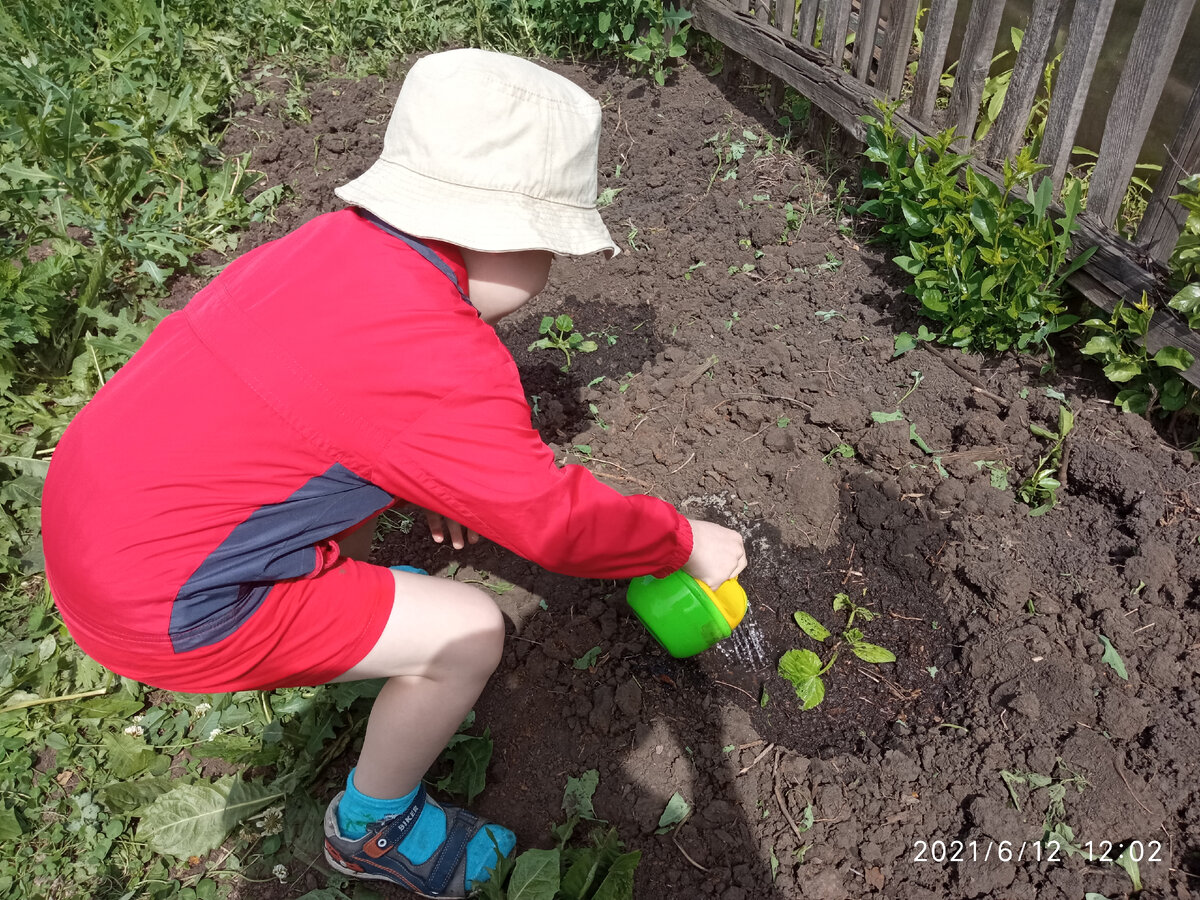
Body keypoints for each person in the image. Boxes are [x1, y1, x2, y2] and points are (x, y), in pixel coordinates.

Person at [41, 49, 746, 897]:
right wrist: (682, 539)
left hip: (94, 518)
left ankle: (343, 610)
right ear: (508, 237)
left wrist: (420, 475)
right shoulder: (441, 359)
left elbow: (312, 402)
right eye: (552, 251)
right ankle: (373, 829)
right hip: (168, 608)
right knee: (469, 633)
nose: (550, 275)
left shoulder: (322, 251)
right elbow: (553, 519)